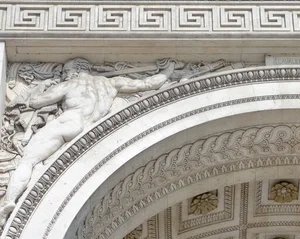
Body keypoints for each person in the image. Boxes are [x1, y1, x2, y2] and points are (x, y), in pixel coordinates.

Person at [0, 58, 177, 228]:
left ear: (76, 70)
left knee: (28, 160)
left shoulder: (71, 84)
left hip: (67, 124)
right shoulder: (111, 83)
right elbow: (148, 84)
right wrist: (170, 68)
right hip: (89, 130)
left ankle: (9, 201)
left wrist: (40, 87)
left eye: (66, 71)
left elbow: (36, 101)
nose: (64, 74)